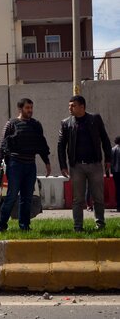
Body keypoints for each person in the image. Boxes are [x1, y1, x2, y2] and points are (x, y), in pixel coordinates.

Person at [0, 98, 51, 232]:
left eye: (31, 108)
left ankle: (24, 226)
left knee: (27, 197)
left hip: (30, 165)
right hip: (15, 164)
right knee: (12, 196)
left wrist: (47, 163)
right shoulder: (11, 124)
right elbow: (2, 144)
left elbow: (41, 145)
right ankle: (1, 226)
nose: (30, 110)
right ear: (20, 109)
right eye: (27, 108)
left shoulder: (36, 125)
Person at [58, 95, 111, 232]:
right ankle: (78, 227)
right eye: (69, 106)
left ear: (82, 106)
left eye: (73, 106)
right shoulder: (66, 123)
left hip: (95, 164)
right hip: (76, 166)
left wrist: (108, 159)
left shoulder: (95, 119)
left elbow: (105, 139)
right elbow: (61, 145)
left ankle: (100, 224)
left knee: (98, 197)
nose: (70, 108)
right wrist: (63, 165)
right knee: (78, 199)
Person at [111, 136, 120, 212]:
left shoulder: (112, 149)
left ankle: (118, 206)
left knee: (117, 188)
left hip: (115, 172)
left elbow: (111, 162)